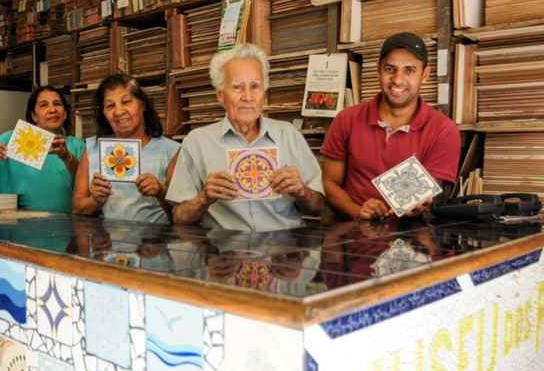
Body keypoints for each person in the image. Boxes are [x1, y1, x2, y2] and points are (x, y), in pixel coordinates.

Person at [166, 43, 325, 232]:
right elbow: (179, 217)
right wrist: (204, 198)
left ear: (264, 93)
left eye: (255, 86)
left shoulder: (289, 135)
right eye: (237, 87)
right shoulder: (197, 141)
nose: (248, 97)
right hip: (223, 250)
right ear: (220, 95)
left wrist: (302, 191)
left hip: (285, 247)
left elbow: (319, 208)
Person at [321, 32, 461, 221]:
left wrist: (421, 203)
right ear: (378, 70)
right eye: (390, 69)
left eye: (409, 70)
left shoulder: (444, 130)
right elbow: (329, 183)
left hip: (412, 235)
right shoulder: (347, 119)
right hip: (352, 230)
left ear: (425, 74)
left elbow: (431, 194)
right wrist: (358, 211)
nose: (397, 80)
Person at [72, 74, 180, 223]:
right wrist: (96, 200)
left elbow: (182, 216)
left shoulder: (171, 150)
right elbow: (77, 208)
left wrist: (161, 192)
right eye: (110, 106)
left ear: (143, 105)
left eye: (126, 102)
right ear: (103, 113)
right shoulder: (92, 148)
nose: (118, 112)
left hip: (154, 243)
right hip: (105, 242)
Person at [0, 86, 84, 213]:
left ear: (64, 114)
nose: (52, 110)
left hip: (64, 227)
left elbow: (87, 186)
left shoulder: (78, 146)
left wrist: (66, 156)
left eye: (57, 104)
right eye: (44, 105)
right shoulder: (11, 139)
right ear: (34, 116)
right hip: (13, 225)